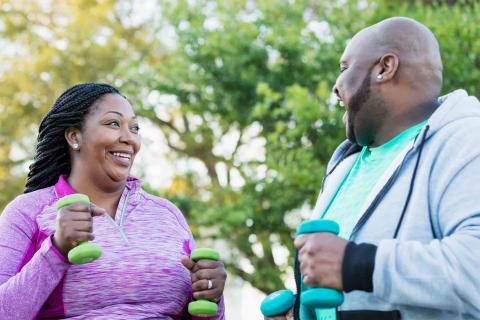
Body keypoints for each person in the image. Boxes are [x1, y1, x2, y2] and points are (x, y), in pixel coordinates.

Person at [269, 17, 480, 320]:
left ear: (385, 67)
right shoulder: (345, 165)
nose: (336, 86)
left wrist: (354, 264)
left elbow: (474, 270)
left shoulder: (466, 140)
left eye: (344, 69)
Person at [0, 83, 227, 319]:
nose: (129, 139)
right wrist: (55, 250)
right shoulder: (28, 211)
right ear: (74, 136)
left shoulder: (167, 214)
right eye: (113, 123)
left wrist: (212, 296)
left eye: (135, 128)